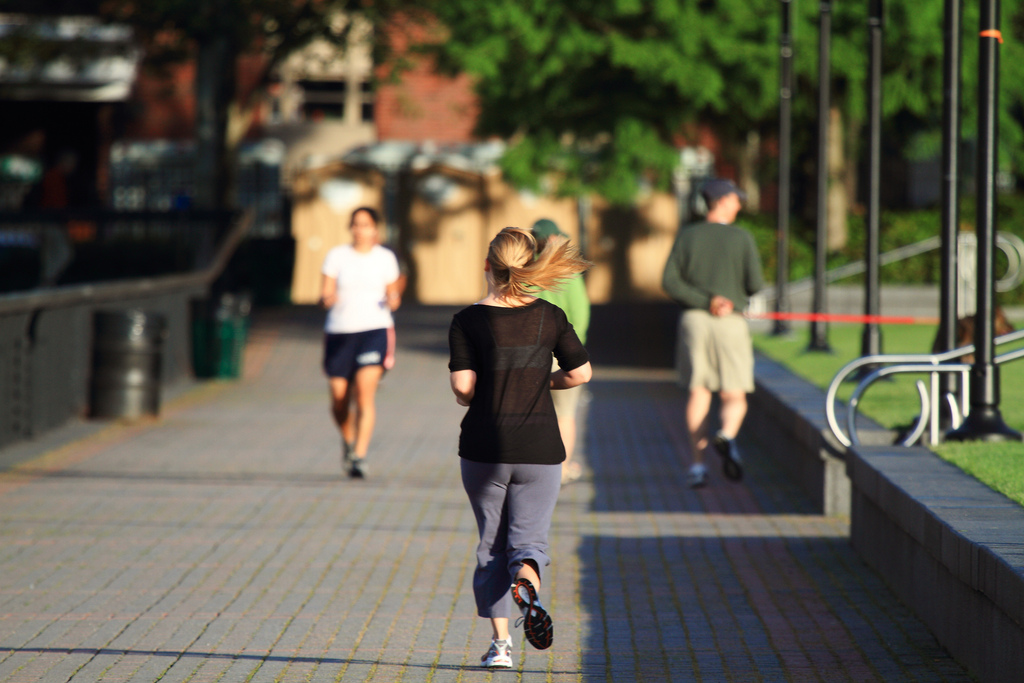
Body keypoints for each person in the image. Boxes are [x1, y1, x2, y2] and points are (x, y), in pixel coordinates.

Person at [448, 227, 592, 669]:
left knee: (491, 545)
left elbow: (463, 387)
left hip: (485, 446)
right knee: (529, 541)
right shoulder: (550, 315)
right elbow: (581, 373)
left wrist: (486, 386)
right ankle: (527, 582)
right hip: (540, 449)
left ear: (487, 266)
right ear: (528, 267)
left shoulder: (468, 319)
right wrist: (541, 381)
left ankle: (501, 647)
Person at [662, 178, 764, 489]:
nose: (739, 205)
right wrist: (724, 298)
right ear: (721, 201)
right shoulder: (741, 238)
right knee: (734, 392)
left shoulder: (687, 236)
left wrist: (704, 301)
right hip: (730, 322)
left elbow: (670, 282)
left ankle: (697, 465)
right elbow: (755, 284)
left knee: (699, 391)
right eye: (736, 200)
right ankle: (727, 434)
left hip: (694, 320)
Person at [320, 207, 402, 479]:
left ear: (375, 229)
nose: (360, 229)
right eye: (355, 224)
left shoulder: (385, 258)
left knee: (364, 394)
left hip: (374, 330)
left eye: (366, 224)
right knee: (339, 399)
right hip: (340, 332)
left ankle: (360, 455)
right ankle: (348, 439)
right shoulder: (337, 256)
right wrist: (327, 299)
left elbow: (394, 294)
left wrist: (393, 300)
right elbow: (326, 292)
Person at [530, 219, 591, 485]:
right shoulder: (568, 271)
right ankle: (563, 470)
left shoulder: (526, 271)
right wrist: (575, 350)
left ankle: (537, 465)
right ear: (553, 238)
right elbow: (580, 314)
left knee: (534, 412)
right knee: (565, 414)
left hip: (530, 352)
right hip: (562, 351)